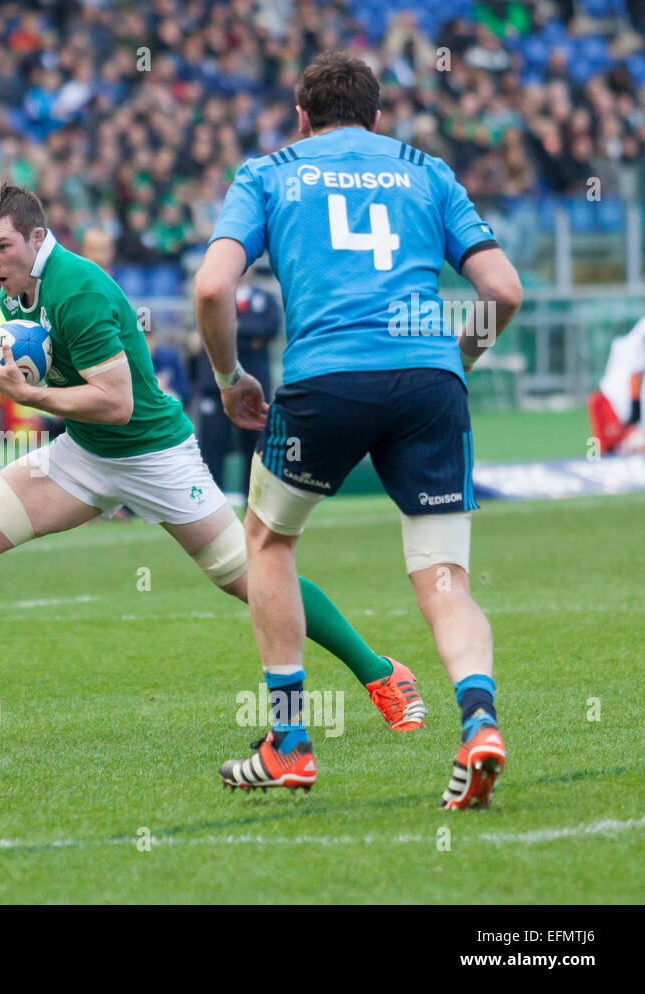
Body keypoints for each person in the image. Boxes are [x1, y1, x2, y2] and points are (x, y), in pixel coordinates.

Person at [0, 184, 425, 740]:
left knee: (250, 578)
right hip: (86, 453)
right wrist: (9, 371)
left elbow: (117, 402)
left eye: (1, 247)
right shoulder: (16, 289)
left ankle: (383, 674)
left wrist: (27, 395)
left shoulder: (76, 289)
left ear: (37, 237)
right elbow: (64, 373)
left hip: (155, 456)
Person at [196, 51, 523, 808]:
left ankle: (289, 741)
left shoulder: (270, 170)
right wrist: (458, 355)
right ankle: (478, 722)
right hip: (426, 379)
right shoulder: (425, 168)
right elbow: (502, 290)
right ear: (378, 119)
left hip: (327, 377)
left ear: (302, 118)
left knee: (270, 541)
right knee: (443, 576)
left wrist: (229, 377)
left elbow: (214, 285)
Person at [190, 264, 279, 493]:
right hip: (214, 385)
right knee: (212, 446)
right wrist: (246, 337)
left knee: (255, 448)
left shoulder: (265, 299)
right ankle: (211, 504)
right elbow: (203, 332)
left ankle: (254, 503)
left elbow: (270, 329)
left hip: (254, 386)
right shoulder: (213, 297)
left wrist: (228, 332)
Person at [587, 316, 645, 455]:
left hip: (615, 402)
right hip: (614, 404)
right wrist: (633, 417)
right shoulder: (635, 344)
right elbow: (635, 375)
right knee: (610, 452)